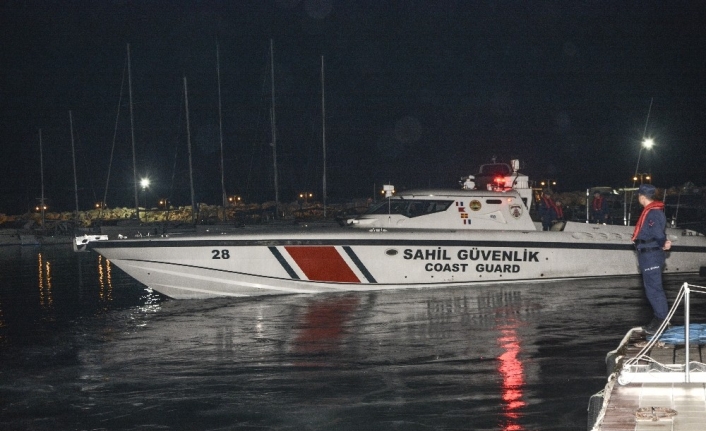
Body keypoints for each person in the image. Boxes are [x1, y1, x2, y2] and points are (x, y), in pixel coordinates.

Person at [632, 184, 672, 334]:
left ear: (642, 197)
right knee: (651, 289)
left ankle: (662, 320)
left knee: (654, 289)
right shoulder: (650, 212)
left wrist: (663, 242)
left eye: (638, 196)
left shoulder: (653, 213)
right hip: (646, 254)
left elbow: (657, 232)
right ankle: (658, 317)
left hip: (651, 254)